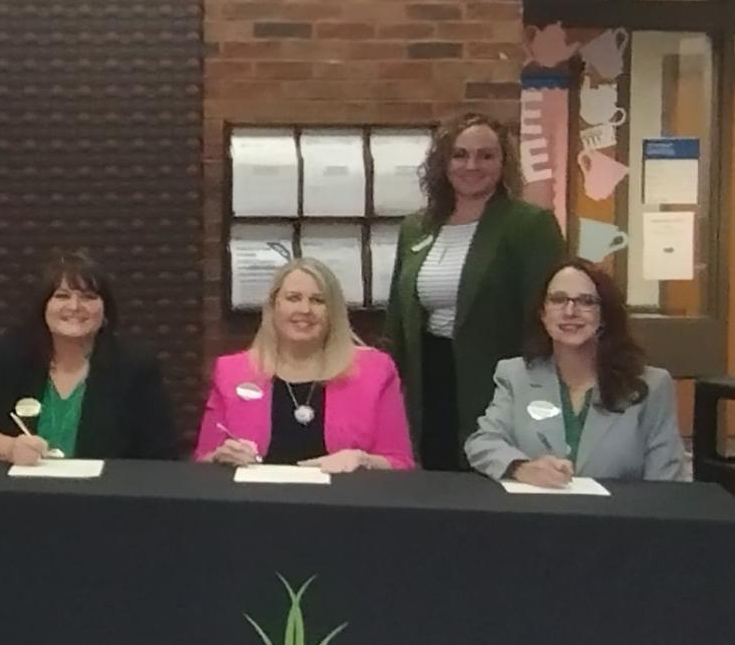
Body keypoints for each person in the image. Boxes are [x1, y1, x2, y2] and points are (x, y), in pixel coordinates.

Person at [382, 112, 567, 470]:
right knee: (432, 478)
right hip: (428, 379)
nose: (472, 165)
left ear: (503, 163)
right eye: (460, 154)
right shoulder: (417, 227)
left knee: (486, 476)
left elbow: (544, 318)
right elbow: (397, 317)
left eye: (486, 155)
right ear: (443, 162)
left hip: (496, 380)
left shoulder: (528, 225)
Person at [467, 261, 689, 485]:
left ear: (604, 316)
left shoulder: (651, 386)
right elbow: (483, 442)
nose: (570, 311)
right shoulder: (516, 375)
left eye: (586, 301)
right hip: (537, 514)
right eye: (558, 300)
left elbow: (667, 481)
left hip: (619, 516)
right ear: (543, 314)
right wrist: (520, 468)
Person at [0, 250, 180, 464]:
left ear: (105, 311)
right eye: (62, 296)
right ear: (43, 308)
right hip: (20, 496)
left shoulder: (135, 366)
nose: (75, 306)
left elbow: (162, 455)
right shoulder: (13, 356)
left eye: (88, 297)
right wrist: (9, 448)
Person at [196, 257, 413, 472]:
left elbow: (400, 463)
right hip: (257, 502)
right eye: (293, 298)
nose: (305, 309)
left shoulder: (375, 371)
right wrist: (220, 457)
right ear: (274, 306)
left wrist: (364, 461)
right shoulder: (231, 372)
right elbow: (203, 463)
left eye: (318, 300)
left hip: (345, 501)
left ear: (333, 312)